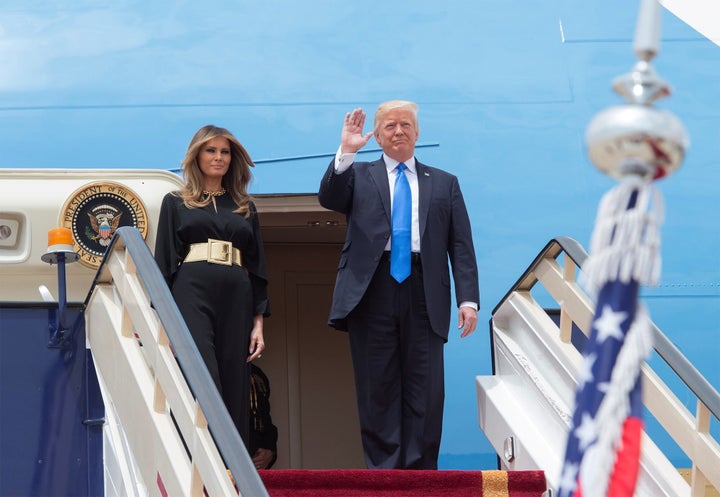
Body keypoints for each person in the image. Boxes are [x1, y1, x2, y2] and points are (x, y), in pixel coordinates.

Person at [318, 100, 480, 470]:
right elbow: (329, 197)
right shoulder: (358, 176)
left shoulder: (444, 182)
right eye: (390, 126)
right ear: (377, 134)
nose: (399, 131)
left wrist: (467, 299)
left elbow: (461, 245)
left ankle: (421, 473)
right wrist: (345, 151)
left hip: (425, 288)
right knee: (378, 384)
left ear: (417, 133)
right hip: (372, 288)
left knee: (425, 387)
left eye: (406, 125)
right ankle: (385, 474)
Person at [154, 124, 270, 449]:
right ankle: (199, 451)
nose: (218, 157)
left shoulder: (245, 206)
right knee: (202, 368)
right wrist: (161, 321)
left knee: (235, 374)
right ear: (197, 155)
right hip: (192, 289)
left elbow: (258, 269)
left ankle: (232, 461)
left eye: (224, 152)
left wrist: (258, 324)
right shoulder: (176, 202)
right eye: (211, 150)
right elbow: (164, 263)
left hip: (237, 293)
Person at [249, 363, 278, 469]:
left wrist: (270, 451)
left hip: (257, 462)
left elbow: (264, 417)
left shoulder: (257, 374)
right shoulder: (217, 366)